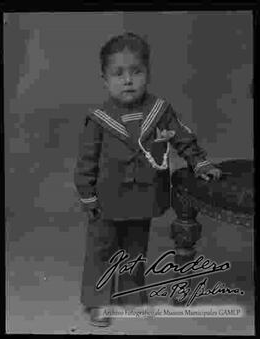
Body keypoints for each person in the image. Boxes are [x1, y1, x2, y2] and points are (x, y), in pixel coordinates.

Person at [74, 32, 221, 327]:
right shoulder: (99, 119)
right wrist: (87, 195)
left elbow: (183, 138)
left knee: (135, 248)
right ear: (104, 79)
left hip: (144, 196)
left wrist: (200, 162)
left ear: (148, 74)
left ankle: (131, 296)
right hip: (106, 199)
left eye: (136, 72)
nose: (128, 80)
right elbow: (86, 161)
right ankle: (98, 303)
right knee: (101, 250)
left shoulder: (159, 111)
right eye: (118, 74)